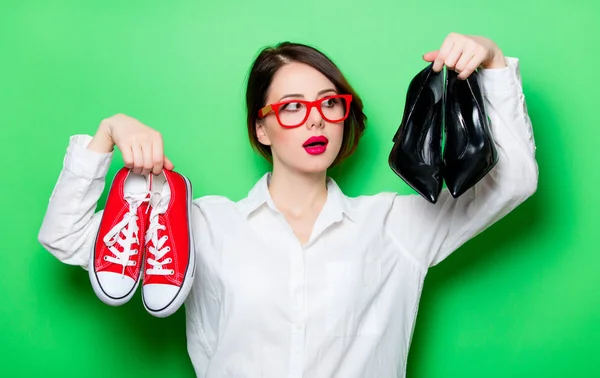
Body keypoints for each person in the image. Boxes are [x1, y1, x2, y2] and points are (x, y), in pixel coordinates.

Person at [38, 32, 538, 377]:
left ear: (345, 116)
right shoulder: (202, 225)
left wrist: (492, 62)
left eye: (329, 103)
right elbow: (66, 237)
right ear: (261, 127)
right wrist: (107, 134)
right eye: (292, 107)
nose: (316, 120)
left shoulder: (396, 226)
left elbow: (513, 180)